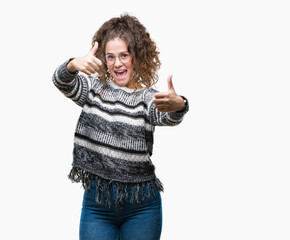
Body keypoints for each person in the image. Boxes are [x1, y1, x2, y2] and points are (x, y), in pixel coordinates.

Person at [52, 13, 189, 240]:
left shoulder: (147, 99)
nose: (117, 63)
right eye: (111, 57)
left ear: (136, 56)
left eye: (124, 55)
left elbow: (169, 116)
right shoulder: (93, 90)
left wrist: (179, 104)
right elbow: (61, 81)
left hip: (141, 207)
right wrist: (72, 64)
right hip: (97, 205)